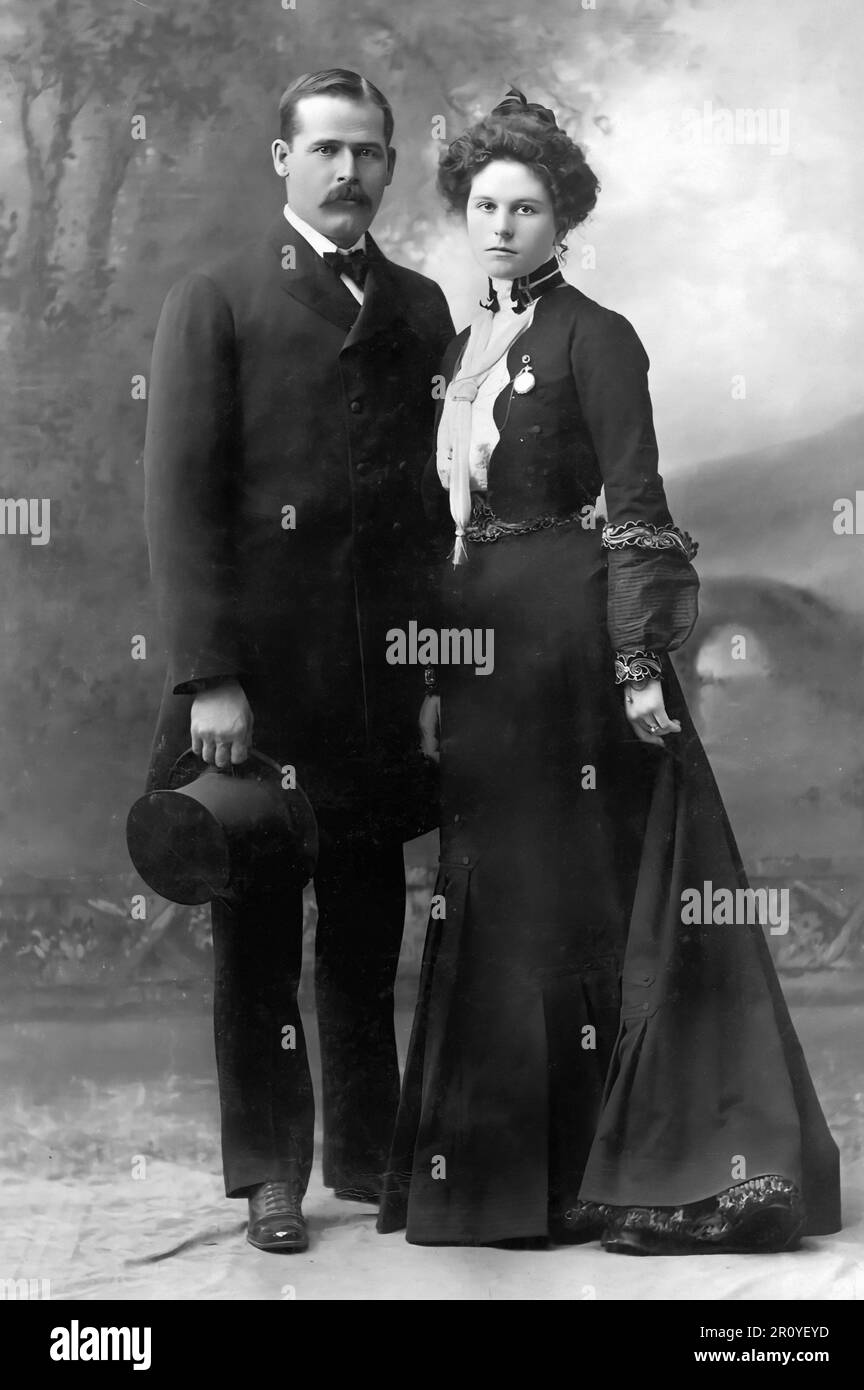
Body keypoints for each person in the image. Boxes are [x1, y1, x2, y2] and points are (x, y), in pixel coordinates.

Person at [377, 88, 841, 1253]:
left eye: (525, 207)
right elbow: (447, 528)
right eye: (483, 204)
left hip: (579, 646)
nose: (500, 225)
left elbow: (637, 509)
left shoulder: (599, 335)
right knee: (497, 884)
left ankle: (645, 1167)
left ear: (561, 217)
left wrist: (640, 662)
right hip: (483, 651)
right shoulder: (460, 346)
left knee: (582, 888)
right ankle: (501, 1179)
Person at [143, 70, 454, 1253]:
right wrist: (209, 673)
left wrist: (436, 667)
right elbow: (179, 505)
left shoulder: (422, 307)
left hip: (375, 685)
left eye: (369, 153)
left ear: (388, 165)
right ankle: (272, 1171)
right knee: (260, 940)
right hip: (257, 691)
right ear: (282, 160)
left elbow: (433, 515)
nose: (348, 173)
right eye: (325, 149)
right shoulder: (216, 299)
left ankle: (370, 1157)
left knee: (370, 931)